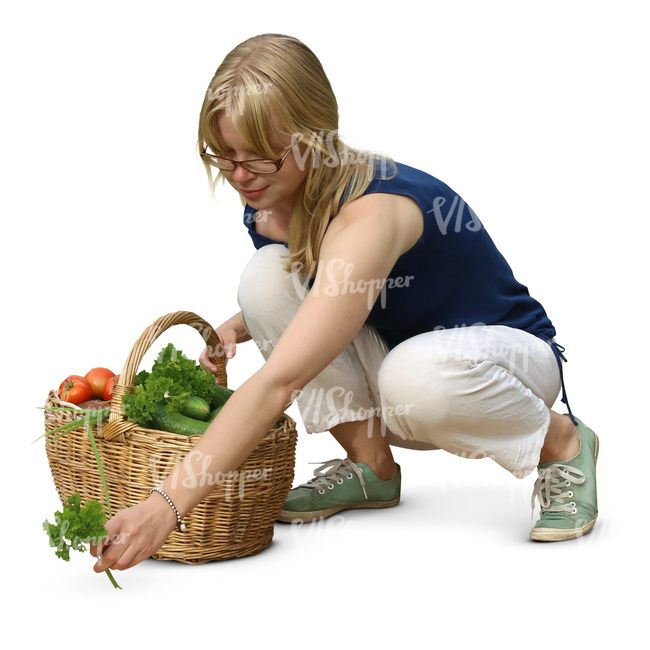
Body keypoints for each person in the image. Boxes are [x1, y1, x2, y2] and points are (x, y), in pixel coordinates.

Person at [90, 33, 599, 574]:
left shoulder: (372, 215)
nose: (240, 176)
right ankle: (372, 466)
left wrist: (165, 505)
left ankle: (562, 442)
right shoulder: (274, 201)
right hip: (407, 361)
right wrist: (241, 325)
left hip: (504, 364)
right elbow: (332, 293)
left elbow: (280, 381)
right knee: (266, 277)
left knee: (414, 378)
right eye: (226, 154)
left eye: (261, 156)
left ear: (315, 136)